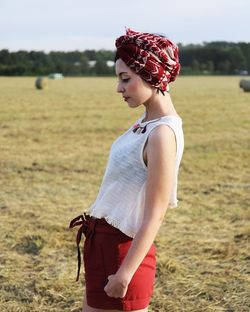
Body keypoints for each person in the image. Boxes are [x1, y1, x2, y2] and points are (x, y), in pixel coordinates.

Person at [69, 28, 184, 312]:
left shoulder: (161, 134)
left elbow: (155, 214)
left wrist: (125, 274)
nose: (118, 88)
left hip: (123, 252)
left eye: (125, 79)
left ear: (153, 75)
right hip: (103, 243)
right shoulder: (145, 123)